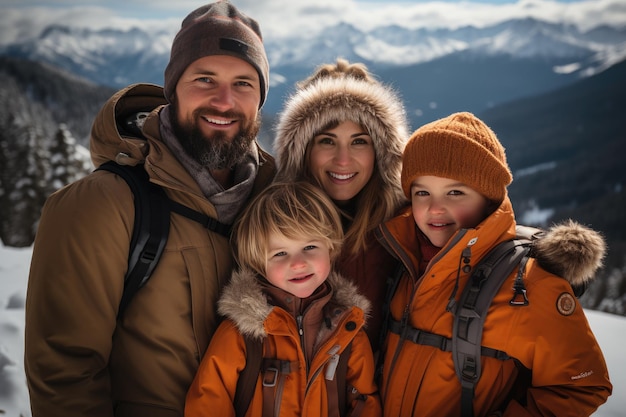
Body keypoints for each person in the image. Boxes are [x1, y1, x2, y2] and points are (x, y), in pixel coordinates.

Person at [24, 2, 275, 417]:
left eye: (244, 83)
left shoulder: (275, 201)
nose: (224, 100)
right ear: (172, 88)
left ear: (261, 98)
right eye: (204, 78)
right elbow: (65, 373)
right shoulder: (103, 204)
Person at [376, 111, 612, 416]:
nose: (435, 208)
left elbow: (582, 385)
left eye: (455, 192)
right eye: (422, 192)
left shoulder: (529, 285)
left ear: (488, 198)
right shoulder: (402, 259)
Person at [185, 181, 381, 417]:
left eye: (309, 246)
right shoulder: (241, 335)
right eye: (280, 253)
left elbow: (365, 402)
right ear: (259, 263)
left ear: (330, 248)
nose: (298, 263)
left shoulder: (349, 332)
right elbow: (208, 402)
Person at [272, 59, 410, 350]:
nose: (343, 160)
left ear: (382, 153)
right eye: (327, 141)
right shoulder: (269, 227)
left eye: (359, 142)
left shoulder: (408, 228)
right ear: (302, 152)